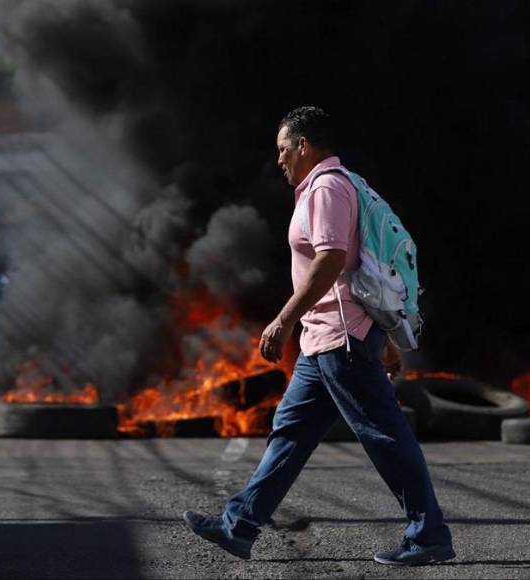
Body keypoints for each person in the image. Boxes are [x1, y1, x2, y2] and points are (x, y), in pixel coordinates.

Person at [183, 107, 454, 566]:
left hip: (341, 340)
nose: (280, 160)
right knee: (289, 433)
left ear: (304, 146)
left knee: (385, 436)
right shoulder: (332, 185)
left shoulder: (327, 187)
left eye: (284, 150)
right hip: (327, 341)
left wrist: (283, 319)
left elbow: (331, 260)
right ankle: (238, 527)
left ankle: (428, 534)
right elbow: (356, 267)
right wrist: (383, 336)